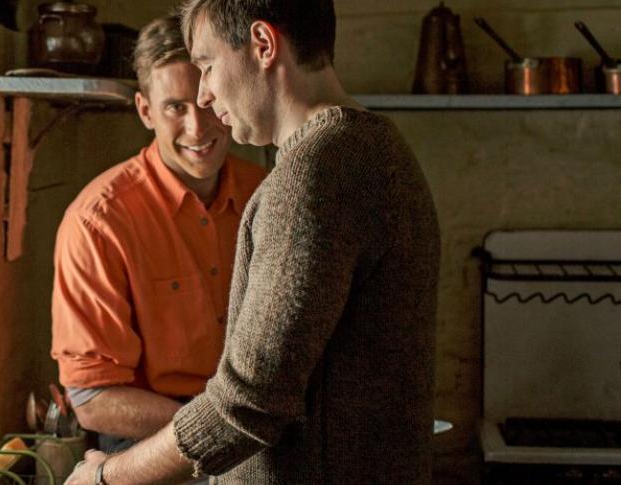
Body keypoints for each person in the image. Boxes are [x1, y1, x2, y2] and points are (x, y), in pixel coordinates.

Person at [65, 0, 441, 483]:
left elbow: (247, 403)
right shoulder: (373, 147)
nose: (203, 95)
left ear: (263, 45)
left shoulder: (312, 178)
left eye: (206, 65)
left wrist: (107, 476)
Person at [49, 15, 267, 456]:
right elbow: (92, 400)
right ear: (145, 110)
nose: (198, 128)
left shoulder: (267, 194)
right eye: (175, 108)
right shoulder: (98, 222)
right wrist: (224, 430)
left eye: (207, 102)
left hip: (259, 428)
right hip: (150, 438)